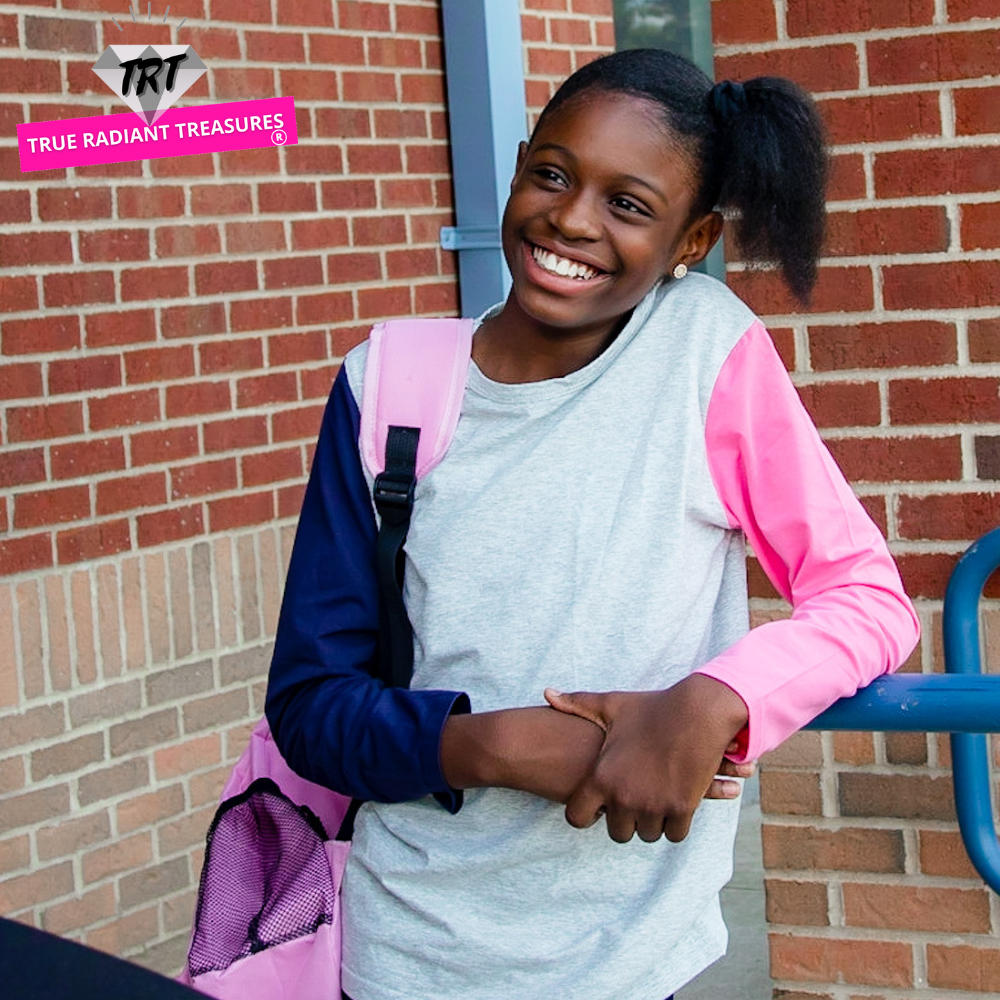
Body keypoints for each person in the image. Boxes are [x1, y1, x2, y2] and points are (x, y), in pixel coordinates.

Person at [265, 48, 920, 1000]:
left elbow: (866, 597)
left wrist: (712, 700)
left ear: (691, 243)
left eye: (629, 204)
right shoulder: (388, 384)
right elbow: (310, 705)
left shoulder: (704, 351)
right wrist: (491, 746)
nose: (570, 220)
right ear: (523, 158)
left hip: (635, 961)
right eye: (554, 174)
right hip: (411, 957)